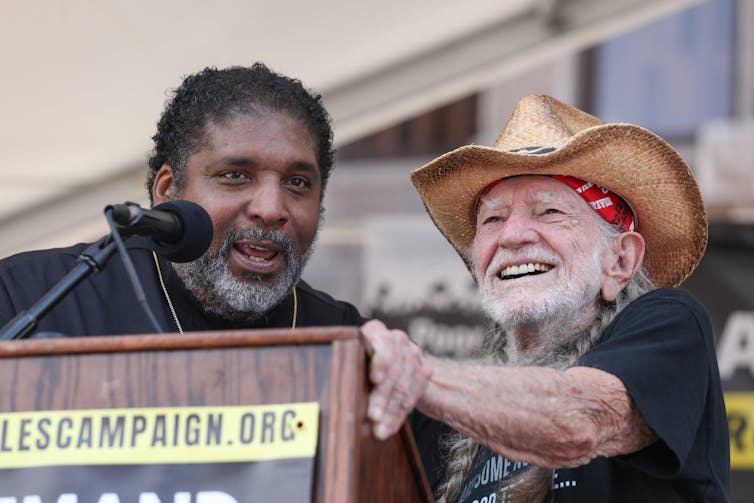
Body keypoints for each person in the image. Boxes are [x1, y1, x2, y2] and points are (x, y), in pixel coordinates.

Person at [362, 95, 730, 501]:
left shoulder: (670, 322)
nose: (513, 235)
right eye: (493, 219)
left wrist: (417, 377)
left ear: (621, 260)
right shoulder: (453, 418)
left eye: (550, 211)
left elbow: (579, 422)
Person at [0, 63, 364, 335]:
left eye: (297, 182)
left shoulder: (349, 340)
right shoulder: (26, 294)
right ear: (166, 190)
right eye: (235, 176)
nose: (270, 210)